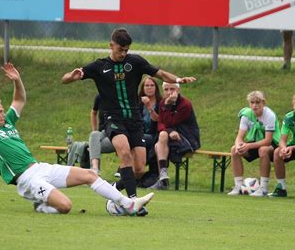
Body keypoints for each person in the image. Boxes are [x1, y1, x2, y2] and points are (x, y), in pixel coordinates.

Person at [0, 63, 153, 215]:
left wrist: (17, 80)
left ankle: (124, 205)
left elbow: (19, 100)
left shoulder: (7, 122)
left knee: (89, 174)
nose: (2, 111)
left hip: (39, 167)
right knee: (65, 207)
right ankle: (40, 205)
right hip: (26, 179)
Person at [62, 27, 196, 201]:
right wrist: (72, 76)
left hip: (134, 120)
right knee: (125, 155)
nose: (124, 53)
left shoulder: (135, 62)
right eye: (120, 50)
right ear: (111, 45)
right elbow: (65, 79)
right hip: (114, 120)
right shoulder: (99, 66)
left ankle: (113, 190)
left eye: (127, 50)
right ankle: (132, 201)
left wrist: (178, 79)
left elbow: (160, 73)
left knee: (139, 168)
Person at [228, 91, 281, 197]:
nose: (254, 105)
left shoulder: (269, 115)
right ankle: (238, 186)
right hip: (255, 141)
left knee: (263, 150)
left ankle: (263, 189)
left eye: (258, 102)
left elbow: (268, 141)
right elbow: (239, 137)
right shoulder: (246, 115)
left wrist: (248, 146)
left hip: (272, 143)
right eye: (252, 102)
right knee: (234, 150)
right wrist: (239, 145)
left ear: (263, 103)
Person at [152, 82, 200, 189]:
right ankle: (163, 175)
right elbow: (160, 122)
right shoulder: (163, 103)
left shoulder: (185, 104)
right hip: (170, 136)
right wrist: (169, 131)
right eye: (166, 89)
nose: (169, 92)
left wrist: (167, 106)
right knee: (162, 135)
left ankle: (162, 179)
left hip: (188, 138)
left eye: (172, 89)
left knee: (158, 145)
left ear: (178, 90)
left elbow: (170, 122)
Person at [138, 76, 163, 187]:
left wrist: (149, 106)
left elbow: (159, 120)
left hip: (155, 135)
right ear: (142, 88)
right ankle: (133, 172)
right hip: (141, 135)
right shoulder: (138, 103)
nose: (149, 88)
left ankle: (151, 174)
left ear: (156, 88)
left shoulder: (161, 103)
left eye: (152, 85)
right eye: (146, 85)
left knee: (144, 139)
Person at [88, 94, 115, 175]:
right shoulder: (100, 97)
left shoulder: (118, 96)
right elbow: (93, 112)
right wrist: (94, 129)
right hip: (102, 132)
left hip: (115, 132)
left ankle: (94, 170)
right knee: (93, 135)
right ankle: (95, 168)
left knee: (92, 145)